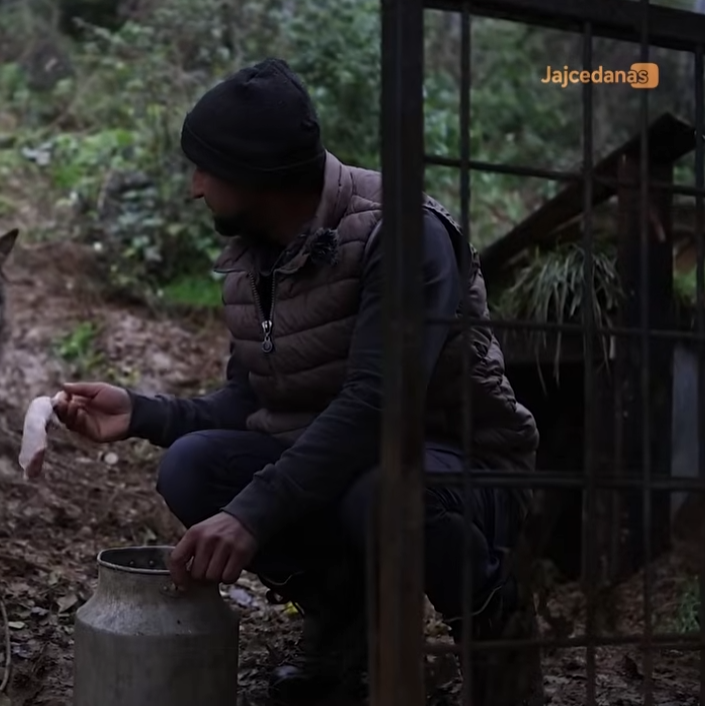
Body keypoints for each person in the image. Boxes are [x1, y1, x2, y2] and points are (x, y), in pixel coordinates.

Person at [52, 57, 540, 704]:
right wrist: (139, 413)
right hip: (341, 465)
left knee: (381, 492)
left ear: (257, 175)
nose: (194, 188)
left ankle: (495, 633)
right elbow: (248, 403)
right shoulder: (253, 252)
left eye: (205, 169)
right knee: (192, 467)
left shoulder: (399, 233)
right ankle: (344, 623)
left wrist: (250, 516)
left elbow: (376, 407)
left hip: (461, 466)